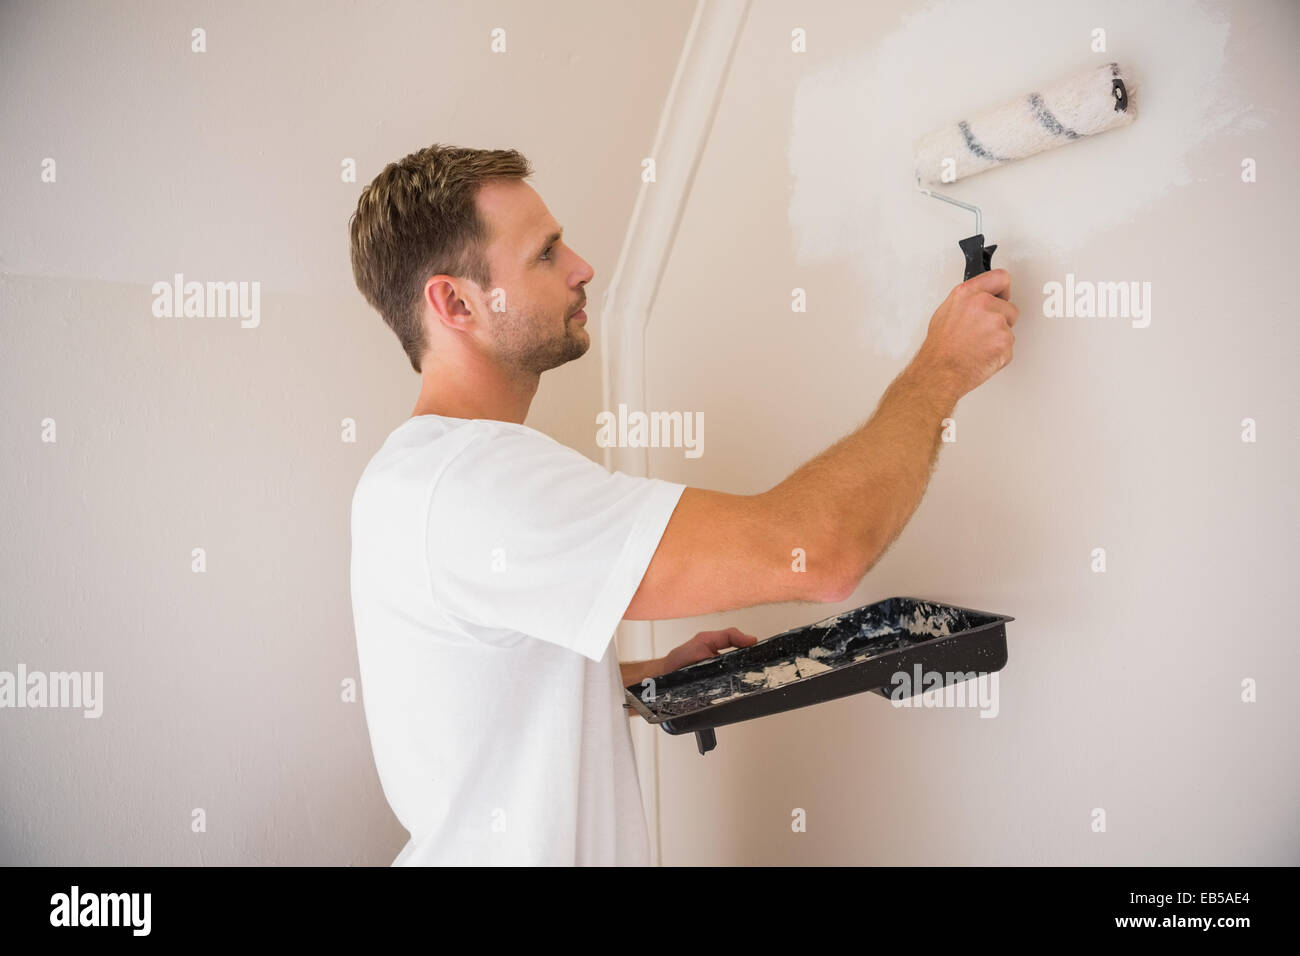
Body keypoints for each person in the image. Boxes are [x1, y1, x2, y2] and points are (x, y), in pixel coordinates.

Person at [347, 143, 1019, 866]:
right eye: (545, 254)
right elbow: (820, 552)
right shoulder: (481, 483)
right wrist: (941, 370)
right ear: (456, 302)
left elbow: (482, 692)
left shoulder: (415, 475)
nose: (582, 267)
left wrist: (641, 677)